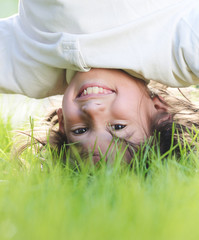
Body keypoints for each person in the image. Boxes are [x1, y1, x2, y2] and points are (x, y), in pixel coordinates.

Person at [1, 0, 199, 163]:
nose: (93, 111)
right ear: (159, 108)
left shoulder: (31, 71)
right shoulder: (173, 52)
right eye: (118, 127)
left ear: (62, 123)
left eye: (80, 130)